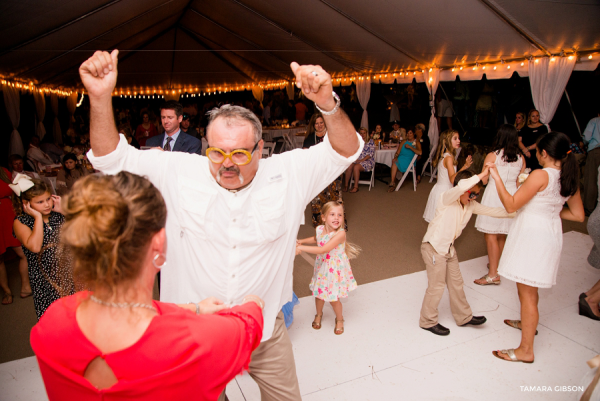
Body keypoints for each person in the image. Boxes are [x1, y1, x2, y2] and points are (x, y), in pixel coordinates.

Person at [79, 49, 362, 401]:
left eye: (240, 154)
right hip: (193, 332)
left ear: (260, 149)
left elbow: (347, 151)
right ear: (205, 147)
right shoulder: (179, 171)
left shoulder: (289, 174)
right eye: (217, 153)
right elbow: (109, 160)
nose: (227, 165)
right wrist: (99, 97)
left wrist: (326, 103)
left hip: (263, 332)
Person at [30, 172, 264, 400]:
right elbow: (249, 324)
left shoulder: (52, 321)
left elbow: (129, 312)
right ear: (158, 244)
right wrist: (254, 303)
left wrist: (194, 308)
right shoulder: (199, 340)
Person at [491, 132, 584, 363]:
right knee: (530, 288)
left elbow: (511, 205)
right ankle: (526, 323)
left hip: (533, 235)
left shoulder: (541, 175)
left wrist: (497, 179)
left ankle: (526, 350)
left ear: (544, 153)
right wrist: (549, 209)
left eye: (538, 153)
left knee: (528, 293)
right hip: (550, 234)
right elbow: (578, 214)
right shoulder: (568, 175)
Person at [419, 167, 514, 336]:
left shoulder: (470, 205)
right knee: (437, 286)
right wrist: (482, 175)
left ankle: (464, 317)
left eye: (477, 194)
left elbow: (495, 212)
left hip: (448, 249)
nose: (474, 197)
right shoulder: (447, 198)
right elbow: (462, 187)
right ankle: (427, 321)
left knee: (456, 283)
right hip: (433, 248)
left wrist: (519, 212)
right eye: (472, 193)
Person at [11, 175, 71, 319]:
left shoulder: (58, 215)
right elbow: (35, 247)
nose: (47, 205)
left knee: (76, 318)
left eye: (48, 199)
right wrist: (38, 218)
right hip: (45, 280)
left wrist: (66, 212)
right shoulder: (21, 222)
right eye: (40, 202)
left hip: (68, 274)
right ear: (26, 203)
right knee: (55, 321)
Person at [296, 201, 359, 335]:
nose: (336, 218)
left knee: (333, 298)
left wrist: (300, 248)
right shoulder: (319, 229)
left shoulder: (340, 234)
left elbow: (323, 249)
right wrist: (302, 241)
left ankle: (340, 319)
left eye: (340, 215)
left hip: (334, 269)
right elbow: (316, 238)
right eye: (332, 214)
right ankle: (318, 314)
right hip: (322, 267)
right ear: (324, 217)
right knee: (319, 294)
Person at [474, 125, 525, 286]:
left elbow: (483, 180)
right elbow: (519, 181)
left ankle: (493, 274)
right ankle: (498, 266)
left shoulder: (492, 156)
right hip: (511, 195)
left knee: (491, 235)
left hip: (494, 195)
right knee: (502, 233)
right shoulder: (521, 158)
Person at [423, 130, 473, 222]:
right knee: (443, 222)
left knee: (441, 222)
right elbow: (452, 179)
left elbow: (439, 176)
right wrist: (464, 167)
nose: (458, 141)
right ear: (447, 141)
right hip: (444, 191)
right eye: (455, 139)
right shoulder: (449, 158)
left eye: (458, 138)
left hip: (439, 189)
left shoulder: (446, 156)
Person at [0, 168, 31, 305]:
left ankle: (25, 287)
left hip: (7, 214)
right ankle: (7, 291)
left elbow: (13, 190)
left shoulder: (3, 171)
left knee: (24, 252)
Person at [388, 127, 422, 191]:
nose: (409, 135)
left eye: (410, 133)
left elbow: (420, 152)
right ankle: (392, 182)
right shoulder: (403, 141)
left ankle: (393, 182)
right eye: (408, 133)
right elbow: (397, 152)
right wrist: (395, 157)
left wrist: (410, 147)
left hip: (409, 161)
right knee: (394, 162)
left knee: (395, 164)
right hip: (400, 158)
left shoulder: (416, 142)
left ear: (413, 134)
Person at [343, 127, 374, 193]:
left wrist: (361, 160)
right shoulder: (356, 141)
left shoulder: (370, 141)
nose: (362, 135)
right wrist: (355, 158)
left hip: (367, 160)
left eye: (364, 133)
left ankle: (356, 187)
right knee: (349, 166)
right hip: (357, 160)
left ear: (366, 133)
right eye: (361, 133)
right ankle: (346, 185)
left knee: (356, 167)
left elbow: (370, 154)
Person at [583, 113, 600, 215]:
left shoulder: (594, 120)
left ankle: (589, 209)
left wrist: (584, 144)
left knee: (591, 179)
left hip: (596, 151)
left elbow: (587, 137)